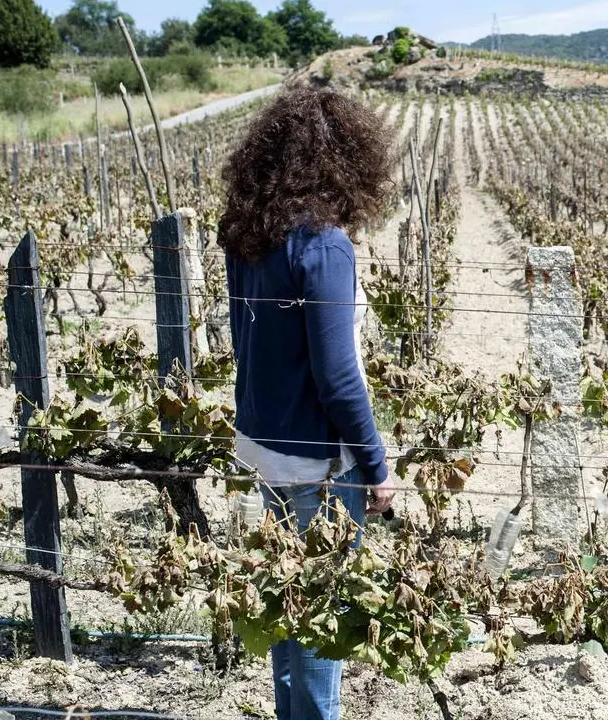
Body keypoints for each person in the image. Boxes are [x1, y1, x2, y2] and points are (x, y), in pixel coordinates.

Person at [219, 85, 395, 720]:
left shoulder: (248, 235)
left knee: (286, 596)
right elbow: (339, 376)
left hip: (265, 442)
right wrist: (376, 466)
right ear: (348, 159)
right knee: (320, 608)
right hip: (317, 460)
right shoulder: (324, 245)